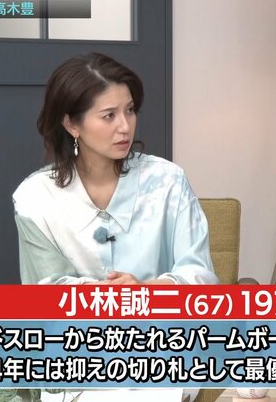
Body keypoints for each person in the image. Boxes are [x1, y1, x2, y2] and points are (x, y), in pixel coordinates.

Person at [13, 53, 217, 286]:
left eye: (129, 110)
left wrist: (145, 289)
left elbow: (200, 275)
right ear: (71, 124)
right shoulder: (36, 197)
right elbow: (44, 289)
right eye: (109, 115)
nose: (125, 126)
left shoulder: (168, 180)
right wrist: (107, 296)